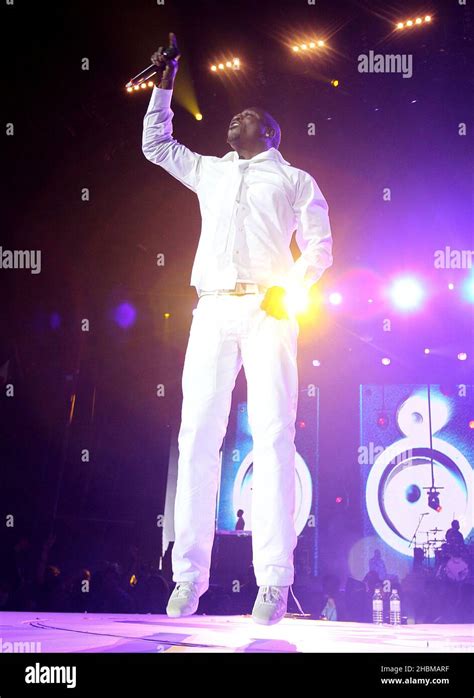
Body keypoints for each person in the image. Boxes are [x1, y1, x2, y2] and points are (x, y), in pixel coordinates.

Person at [142, 33, 333, 625]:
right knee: (197, 433)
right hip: (211, 309)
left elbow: (322, 247)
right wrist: (166, 85)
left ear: (270, 134)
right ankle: (187, 576)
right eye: (234, 114)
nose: (234, 119)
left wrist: (293, 286)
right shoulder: (211, 172)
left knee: (274, 438)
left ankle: (273, 581)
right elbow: (156, 145)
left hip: (268, 311)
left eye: (248, 115)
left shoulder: (296, 180)